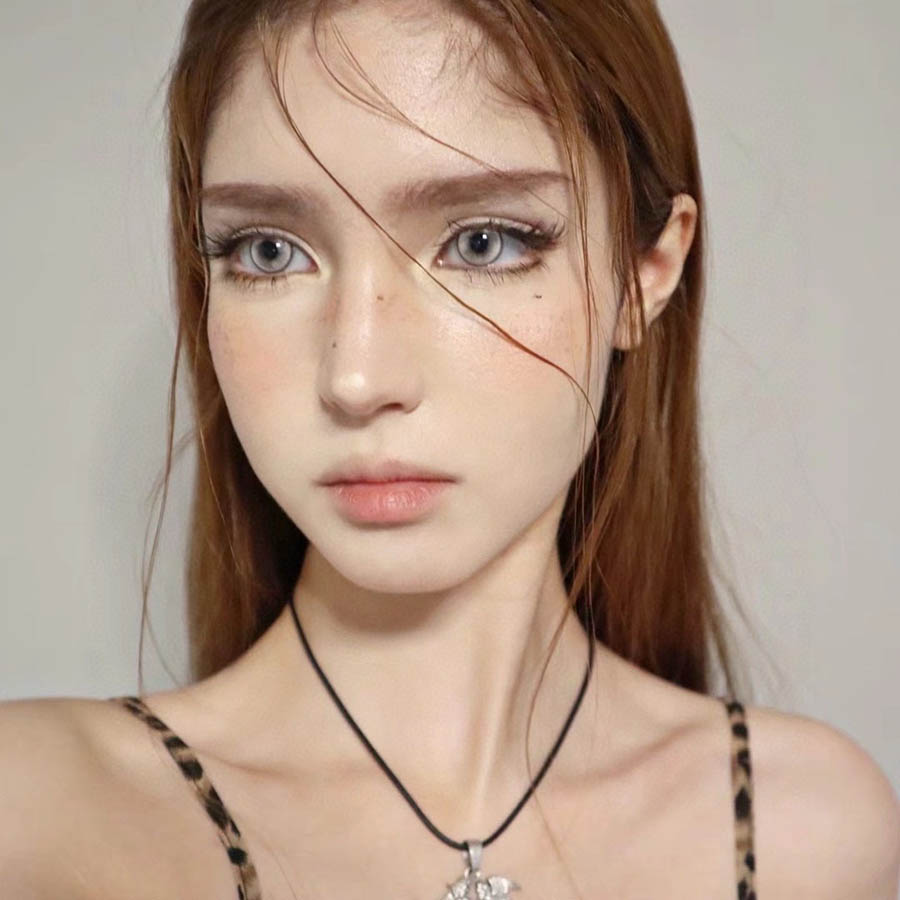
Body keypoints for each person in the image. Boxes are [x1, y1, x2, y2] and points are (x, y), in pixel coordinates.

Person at [2, 1, 898, 898]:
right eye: (269, 252)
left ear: (645, 273)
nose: (358, 378)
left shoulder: (804, 835)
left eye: (482, 242)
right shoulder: (39, 820)